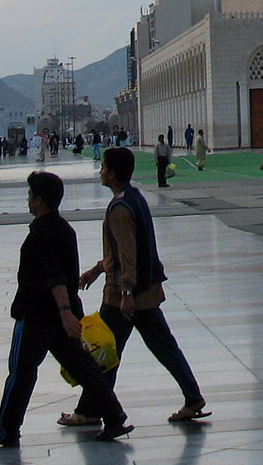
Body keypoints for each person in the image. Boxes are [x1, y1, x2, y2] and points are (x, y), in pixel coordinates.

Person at [0, 170, 131, 446]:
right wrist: (68, 312)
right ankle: (114, 415)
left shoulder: (41, 235)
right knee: (84, 368)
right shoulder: (64, 229)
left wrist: (64, 312)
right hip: (62, 316)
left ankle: (7, 429)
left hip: (38, 316)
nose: (28, 199)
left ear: (38, 201)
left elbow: (55, 276)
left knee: (21, 372)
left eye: (30, 195)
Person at [62, 147, 209, 428]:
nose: (101, 171)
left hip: (124, 298)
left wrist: (126, 293)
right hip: (146, 294)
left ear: (113, 174)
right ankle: (193, 397)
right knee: (165, 348)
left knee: (103, 353)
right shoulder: (134, 198)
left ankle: (89, 410)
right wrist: (97, 269)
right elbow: (125, 251)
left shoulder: (119, 208)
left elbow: (128, 254)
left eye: (104, 167)